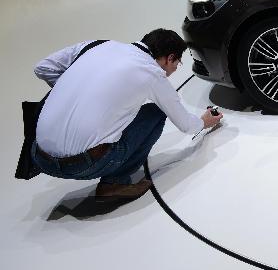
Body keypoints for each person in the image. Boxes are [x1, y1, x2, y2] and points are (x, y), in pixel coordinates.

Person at [31, 29, 223, 202]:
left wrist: (73, 92)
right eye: (177, 63)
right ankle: (114, 183)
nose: (174, 69)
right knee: (155, 113)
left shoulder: (97, 46)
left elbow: (42, 67)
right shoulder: (151, 72)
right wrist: (203, 121)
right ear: (169, 58)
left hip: (38, 155)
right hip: (82, 164)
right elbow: (185, 125)